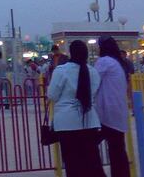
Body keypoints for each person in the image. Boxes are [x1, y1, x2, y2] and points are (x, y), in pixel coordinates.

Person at [47, 40, 104, 176]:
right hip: (89, 122)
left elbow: (52, 95)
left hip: (66, 123)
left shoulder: (61, 71)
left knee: (73, 164)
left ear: (71, 53)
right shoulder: (93, 72)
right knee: (92, 163)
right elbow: (94, 93)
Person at [95, 36, 131, 177]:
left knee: (89, 146)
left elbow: (93, 80)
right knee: (118, 149)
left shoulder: (104, 62)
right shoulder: (118, 62)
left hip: (107, 112)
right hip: (117, 111)